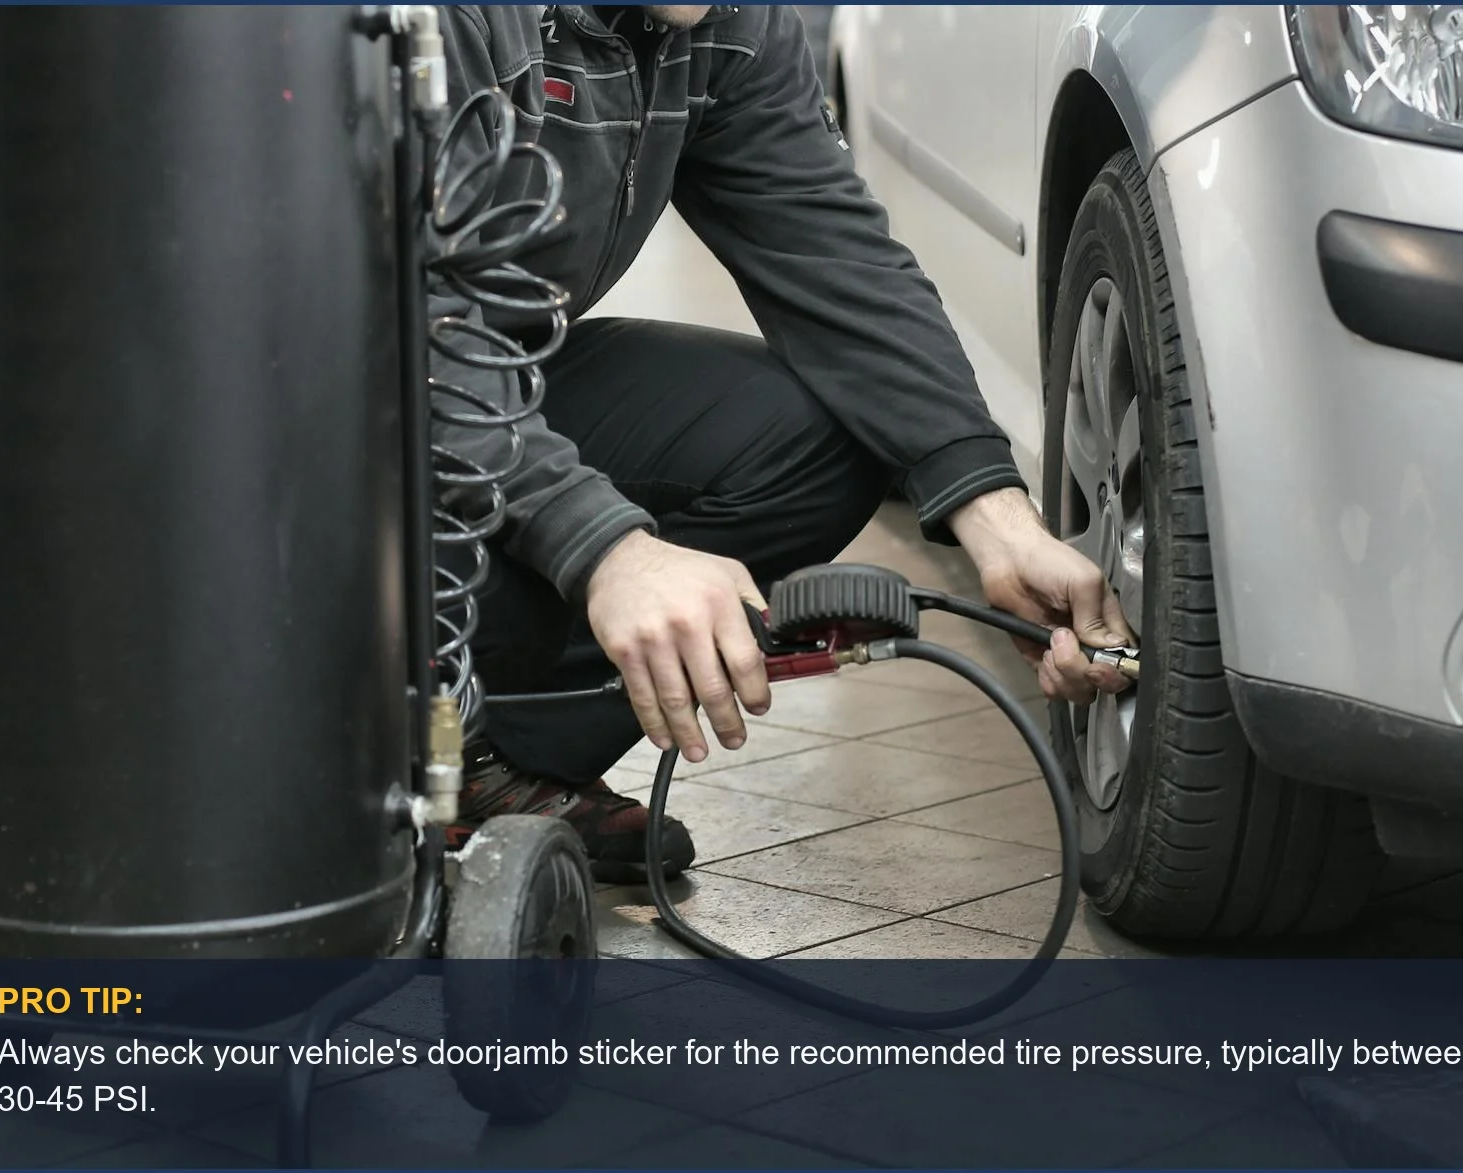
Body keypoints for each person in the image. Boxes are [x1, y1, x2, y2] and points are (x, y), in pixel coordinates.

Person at [434, 4, 1133, 882]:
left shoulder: (722, 21)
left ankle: (483, 756)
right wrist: (605, 547)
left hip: (485, 375)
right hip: (302, 419)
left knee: (819, 439)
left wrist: (996, 517)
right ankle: (339, 723)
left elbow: (832, 255)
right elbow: (386, 326)